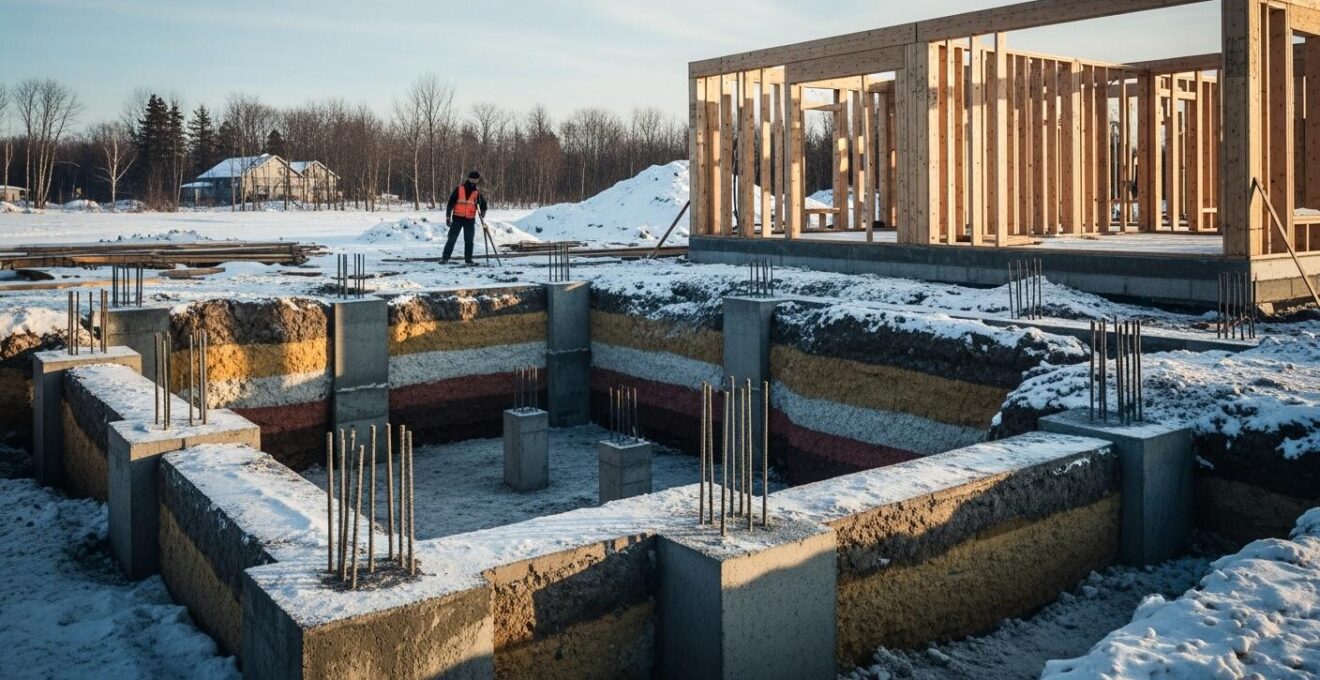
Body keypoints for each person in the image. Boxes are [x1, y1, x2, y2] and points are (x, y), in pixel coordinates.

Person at [442, 171, 488, 265]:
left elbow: (484, 204)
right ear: (469, 179)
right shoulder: (459, 189)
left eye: (476, 180)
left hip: (470, 220)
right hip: (457, 218)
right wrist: (448, 217)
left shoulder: (476, 192)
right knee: (451, 238)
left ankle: (468, 259)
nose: (474, 182)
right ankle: (445, 258)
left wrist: (483, 212)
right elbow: (450, 203)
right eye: (472, 179)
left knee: (469, 240)